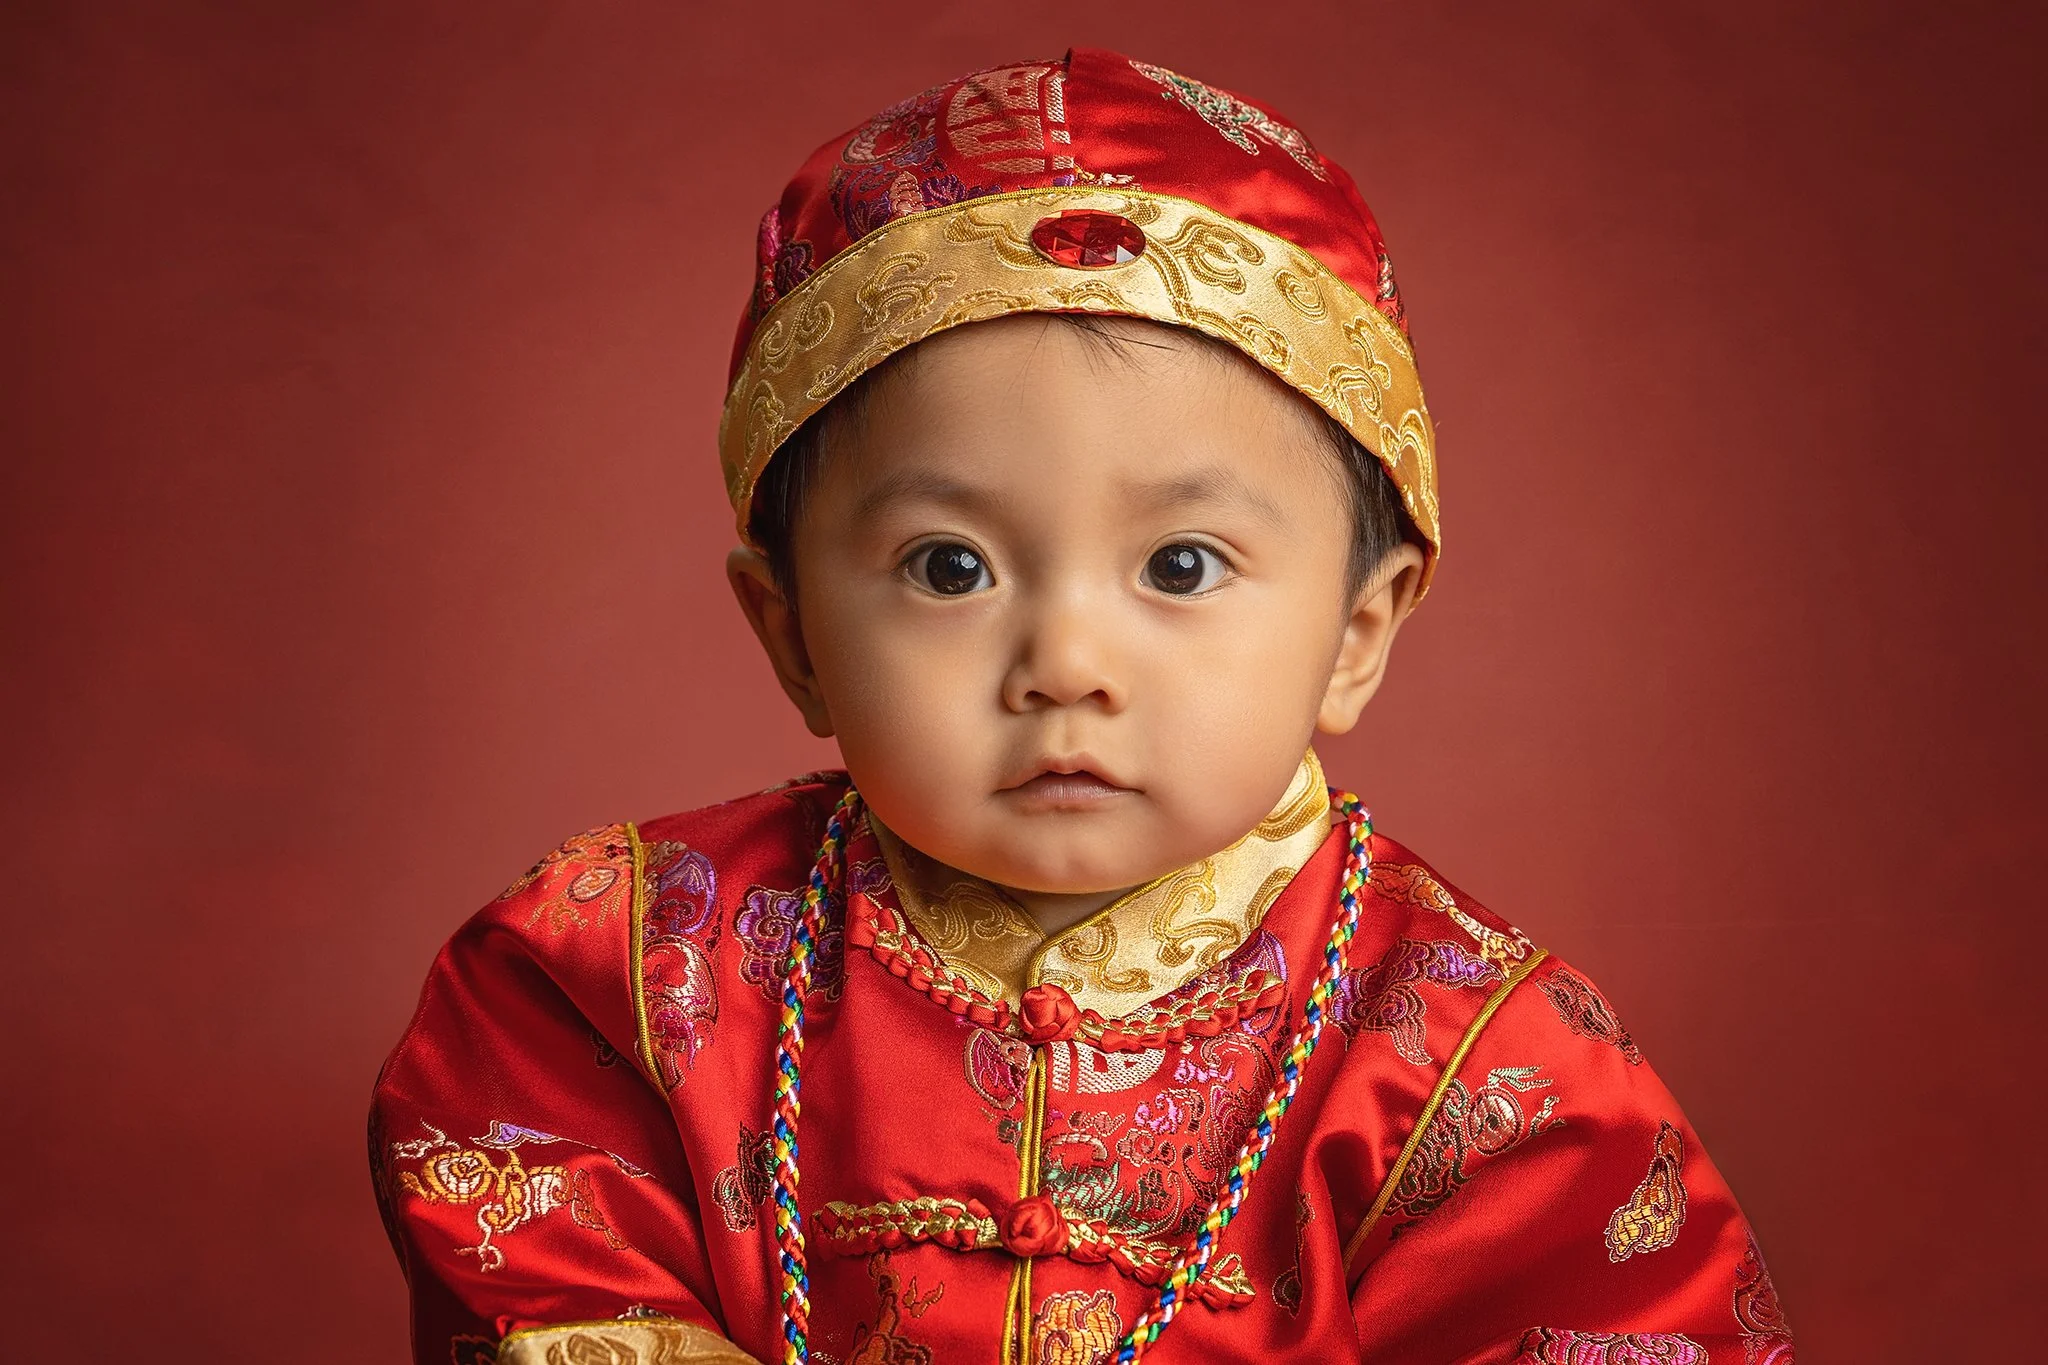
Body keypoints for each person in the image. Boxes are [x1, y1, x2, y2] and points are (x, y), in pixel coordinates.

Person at [370, 48, 1794, 1365]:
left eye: (1180, 566)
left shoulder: (1485, 1057)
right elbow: (531, 1250)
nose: (1065, 659)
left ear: (1358, 633)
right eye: (951, 567)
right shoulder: (623, 973)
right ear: (791, 635)